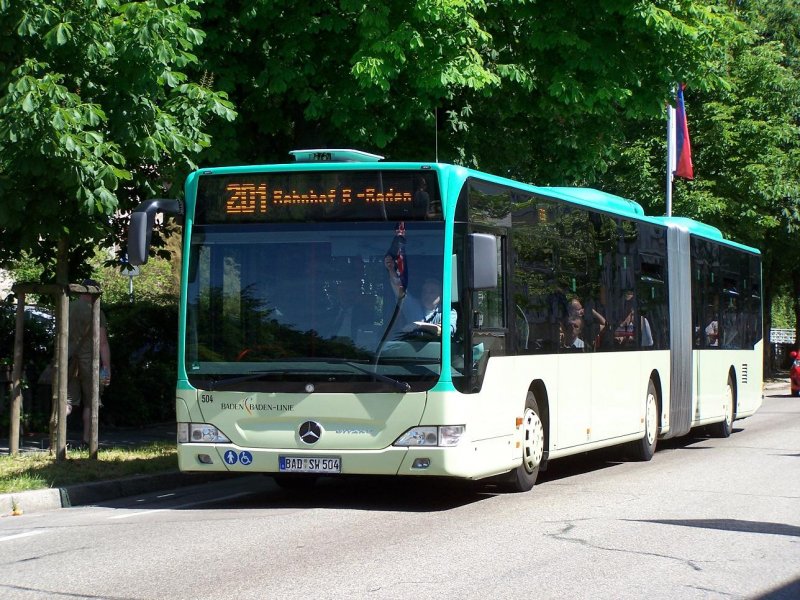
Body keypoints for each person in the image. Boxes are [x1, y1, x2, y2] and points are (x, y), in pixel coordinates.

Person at [67, 279, 111, 447]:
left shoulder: (68, 308)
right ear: (94, 292)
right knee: (91, 402)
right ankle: (88, 440)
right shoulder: (96, 311)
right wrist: (106, 367)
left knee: (67, 402)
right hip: (89, 363)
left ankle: (56, 439)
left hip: (68, 361)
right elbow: (103, 342)